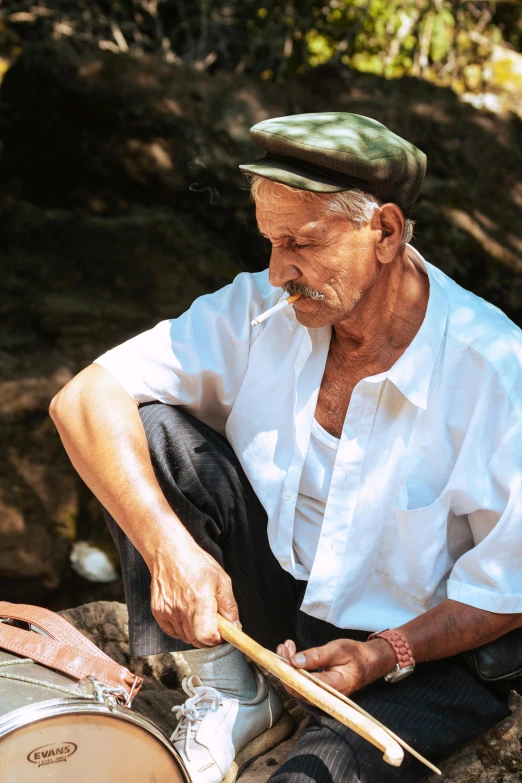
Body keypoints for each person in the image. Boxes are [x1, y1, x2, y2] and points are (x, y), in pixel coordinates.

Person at [50, 112, 522, 783]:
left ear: (383, 232)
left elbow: (510, 586)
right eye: (270, 242)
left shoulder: (495, 370)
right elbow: (82, 399)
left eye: (298, 242)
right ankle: (235, 691)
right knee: (151, 428)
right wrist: (170, 547)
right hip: (278, 606)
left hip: (420, 654)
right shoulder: (262, 310)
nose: (276, 272)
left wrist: (385, 653)